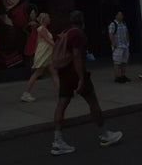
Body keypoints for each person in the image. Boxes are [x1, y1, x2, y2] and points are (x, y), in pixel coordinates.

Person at [50, 11, 122, 156]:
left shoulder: (66, 32)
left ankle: (58, 141)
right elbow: (77, 56)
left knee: (62, 104)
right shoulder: (78, 34)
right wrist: (81, 77)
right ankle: (105, 135)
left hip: (64, 73)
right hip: (76, 74)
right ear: (82, 21)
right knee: (93, 102)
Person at [21, 12, 59, 102]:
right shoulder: (42, 29)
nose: (49, 19)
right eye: (48, 18)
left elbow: (39, 42)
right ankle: (26, 94)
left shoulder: (43, 29)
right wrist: (59, 46)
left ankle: (61, 92)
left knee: (53, 72)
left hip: (47, 54)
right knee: (37, 73)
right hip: (44, 54)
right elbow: (49, 41)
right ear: (44, 20)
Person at [108, 11, 130, 83]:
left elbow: (126, 33)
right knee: (117, 62)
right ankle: (117, 77)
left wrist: (128, 42)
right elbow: (111, 34)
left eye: (122, 15)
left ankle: (123, 75)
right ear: (116, 16)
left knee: (124, 61)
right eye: (119, 15)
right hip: (118, 46)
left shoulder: (124, 23)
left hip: (125, 46)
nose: (121, 16)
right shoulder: (113, 24)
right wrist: (113, 43)